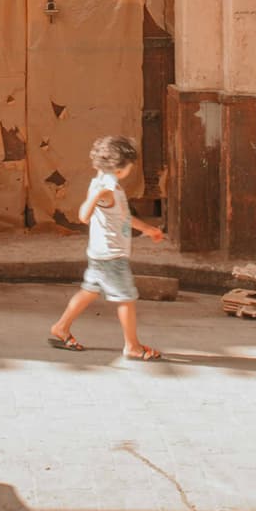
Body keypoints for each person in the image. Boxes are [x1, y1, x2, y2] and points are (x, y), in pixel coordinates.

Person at [47, 134, 165, 360]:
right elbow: (83, 216)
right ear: (119, 169)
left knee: (88, 292)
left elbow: (124, 217)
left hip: (100, 253)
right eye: (130, 166)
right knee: (126, 299)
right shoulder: (105, 189)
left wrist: (149, 230)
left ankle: (61, 327)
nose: (131, 169)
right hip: (112, 256)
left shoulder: (105, 184)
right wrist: (96, 196)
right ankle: (132, 346)